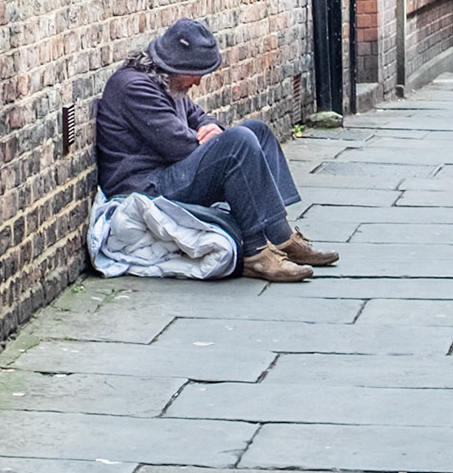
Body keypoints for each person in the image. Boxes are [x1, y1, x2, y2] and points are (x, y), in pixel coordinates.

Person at [94, 17, 338, 283]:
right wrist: (213, 139)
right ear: (174, 65)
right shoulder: (135, 87)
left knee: (257, 132)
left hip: (169, 172)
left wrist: (212, 130)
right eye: (196, 72)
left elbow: (201, 118)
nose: (198, 82)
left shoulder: (167, 82)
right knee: (238, 143)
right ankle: (256, 255)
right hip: (145, 186)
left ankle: (280, 236)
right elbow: (178, 146)